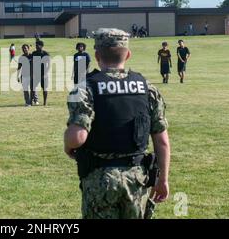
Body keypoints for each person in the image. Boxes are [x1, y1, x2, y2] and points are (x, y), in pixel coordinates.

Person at [64, 28, 171, 219]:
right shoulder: (147, 88)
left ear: (97, 55)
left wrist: (67, 144)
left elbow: (77, 137)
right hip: (137, 179)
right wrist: (162, 179)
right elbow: (161, 141)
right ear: (128, 54)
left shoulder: (85, 88)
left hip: (100, 180)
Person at [31, 40, 50, 106]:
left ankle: (45, 102)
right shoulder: (34, 53)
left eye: (37, 45)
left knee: (44, 88)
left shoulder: (45, 53)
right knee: (33, 88)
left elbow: (49, 64)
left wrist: (45, 73)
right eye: (36, 45)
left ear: (41, 46)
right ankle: (32, 101)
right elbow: (32, 63)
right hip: (36, 74)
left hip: (43, 74)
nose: (36, 46)